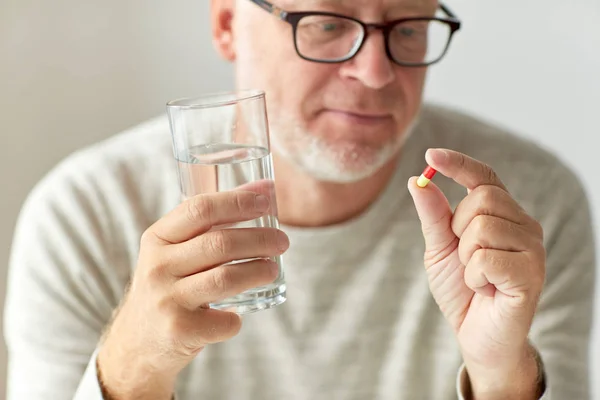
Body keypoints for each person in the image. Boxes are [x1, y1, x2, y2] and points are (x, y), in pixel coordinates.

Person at [4, 0, 596, 399]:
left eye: (408, 28)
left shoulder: (519, 208)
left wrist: (501, 375)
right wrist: (133, 366)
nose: (375, 72)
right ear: (228, 22)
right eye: (327, 21)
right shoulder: (83, 215)